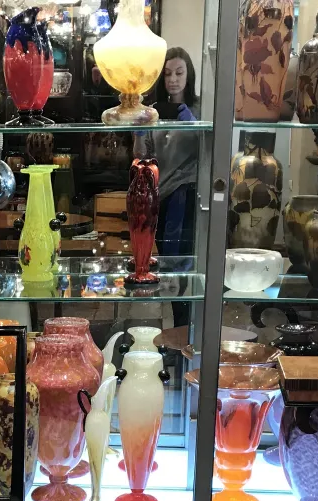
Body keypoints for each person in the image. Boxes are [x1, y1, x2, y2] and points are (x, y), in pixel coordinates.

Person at [136, 46, 200, 324]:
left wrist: (194, 125)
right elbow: (141, 154)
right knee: (167, 264)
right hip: (160, 195)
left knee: (182, 264)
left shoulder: (199, 110)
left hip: (186, 196)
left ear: (189, 75)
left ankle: (187, 326)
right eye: (168, 74)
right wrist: (139, 131)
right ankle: (179, 327)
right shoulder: (153, 113)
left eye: (179, 73)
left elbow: (210, 150)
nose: (173, 79)